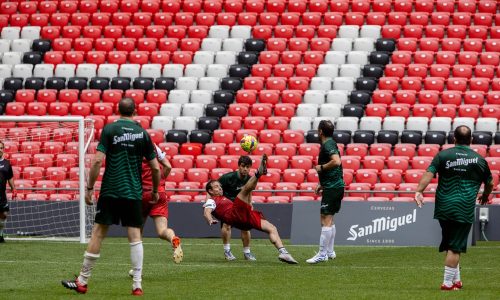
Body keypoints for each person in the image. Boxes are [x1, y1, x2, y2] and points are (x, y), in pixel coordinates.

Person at [62, 98, 161, 296]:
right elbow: (156, 168)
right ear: (135, 112)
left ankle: (82, 280)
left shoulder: (109, 129)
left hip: (110, 190)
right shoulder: (142, 133)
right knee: (134, 236)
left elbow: (98, 160)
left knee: (98, 232)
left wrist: (89, 188)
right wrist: (156, 190)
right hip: (133, 192)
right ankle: (137, 285)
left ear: (118, 110)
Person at [414, 125, 493, 291]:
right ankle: (447, 284)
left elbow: (429, 173)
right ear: (471, 140)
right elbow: (490, 183)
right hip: (463, 207)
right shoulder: (479, 160)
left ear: (454, 139)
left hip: (443, 206)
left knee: (451, 244)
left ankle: (456, 281)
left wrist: (419, 191)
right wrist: (485, 196)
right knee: (455, 247)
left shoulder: (443, 155)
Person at [203, 154, 298, 264]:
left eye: (220, 187)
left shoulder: (224, 196)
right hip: (233, 213)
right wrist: (210, 219)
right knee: (244, 191)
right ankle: (258, 173)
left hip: (243, 214)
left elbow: (250, 191)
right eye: (216, 187)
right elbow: (206, 212)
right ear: (210, 191)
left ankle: (283, 252)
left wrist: (250, 204)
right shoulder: (212, 200)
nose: (220, 188)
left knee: (271, 227)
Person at [307, 120, 344, 264]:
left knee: (325, 219)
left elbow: (336, 161)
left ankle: (322, 254)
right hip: (333, 185)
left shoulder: (328, 144)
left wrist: (321, 168)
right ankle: (330, 251)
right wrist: (321, 183)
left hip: (333, 187)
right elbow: (336, 167)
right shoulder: (330, 143)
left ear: (320, 131)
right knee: (329, 219)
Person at [139, 143, 183, 263]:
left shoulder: (129, 147)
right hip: (159, 192)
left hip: (141, 194)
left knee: (137, 233)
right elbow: (168, 166)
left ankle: (137, 268)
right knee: (162, 231)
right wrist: (160, 182)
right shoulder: (152, 146)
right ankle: (173, 238)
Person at [217, 155, 255, 261]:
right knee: (226, 225)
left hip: (242, 205)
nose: (245, 169)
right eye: (243, 166)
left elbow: (249, 190)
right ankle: (227, 251)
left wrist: (250, 203)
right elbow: (214, 186)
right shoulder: (228, 177)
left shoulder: (250, 179)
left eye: (248, 167)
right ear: (239, 166)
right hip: (227, 206)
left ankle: (247, 253)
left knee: (245, 227)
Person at [0, 141, 15, 243]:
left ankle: (0, 235)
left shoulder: (7, 163)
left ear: (3, 149)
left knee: (4, 215)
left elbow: (10, 178)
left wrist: (14, 189)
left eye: (1, 148)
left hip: (1, 196)